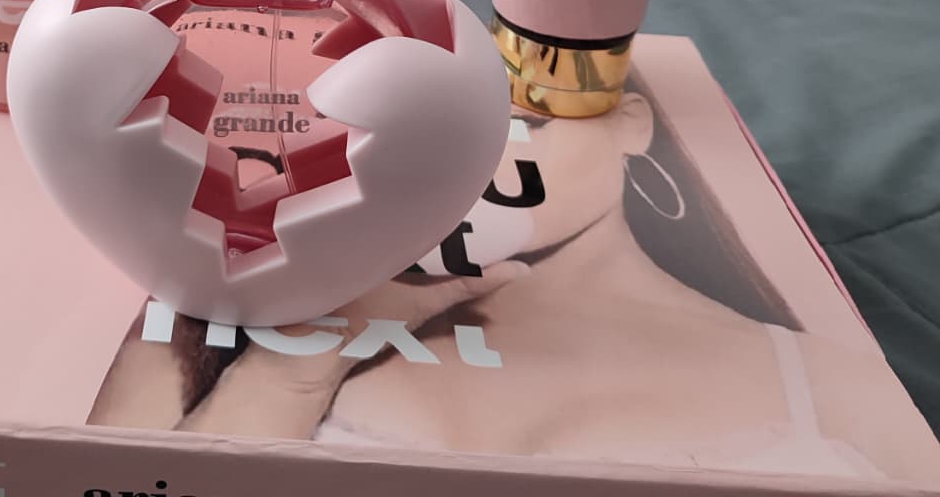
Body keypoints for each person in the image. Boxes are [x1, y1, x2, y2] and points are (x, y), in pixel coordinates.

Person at [87, 82, 940, 483]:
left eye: (524, 120)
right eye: (433, 137)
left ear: (632, 124)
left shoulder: (825, 383)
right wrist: (296, 367)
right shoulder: (208, 316)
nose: (478, 162)